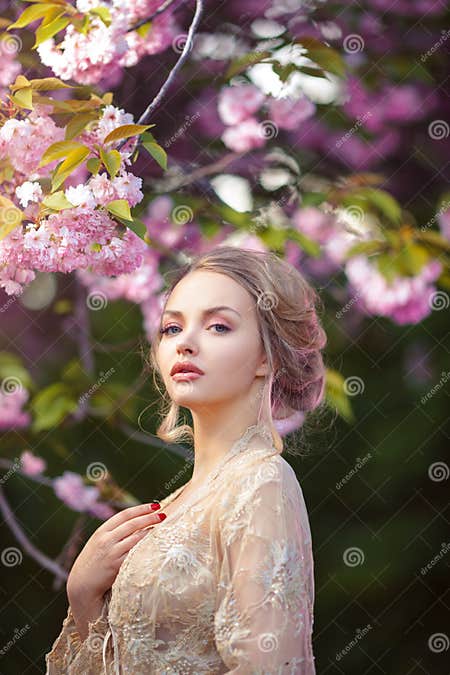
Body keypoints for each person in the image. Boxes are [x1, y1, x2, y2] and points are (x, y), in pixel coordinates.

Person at [45, 245, 327, 674]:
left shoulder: (261, 482)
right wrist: (83, 597)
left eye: (217, 326)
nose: (185, 344)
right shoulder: (178, 502)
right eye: (172, 328)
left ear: (267, 355)